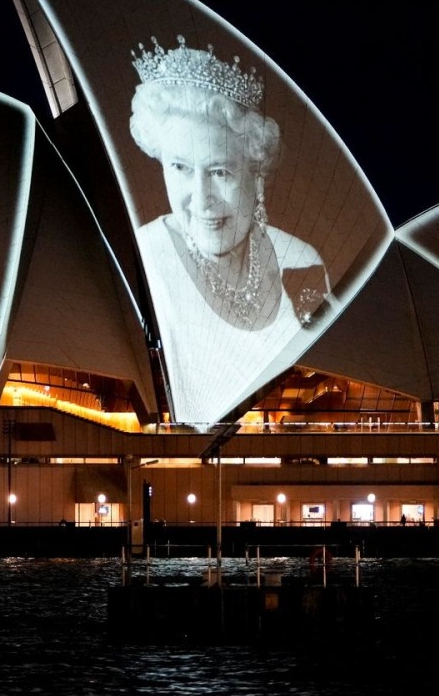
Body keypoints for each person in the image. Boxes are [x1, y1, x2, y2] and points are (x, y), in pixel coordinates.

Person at [130, 35, 332, 422]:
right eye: (181, 168)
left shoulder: (303, 261)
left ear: (256, 172)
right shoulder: (144, 259)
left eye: (219, 171)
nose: (201, 197)